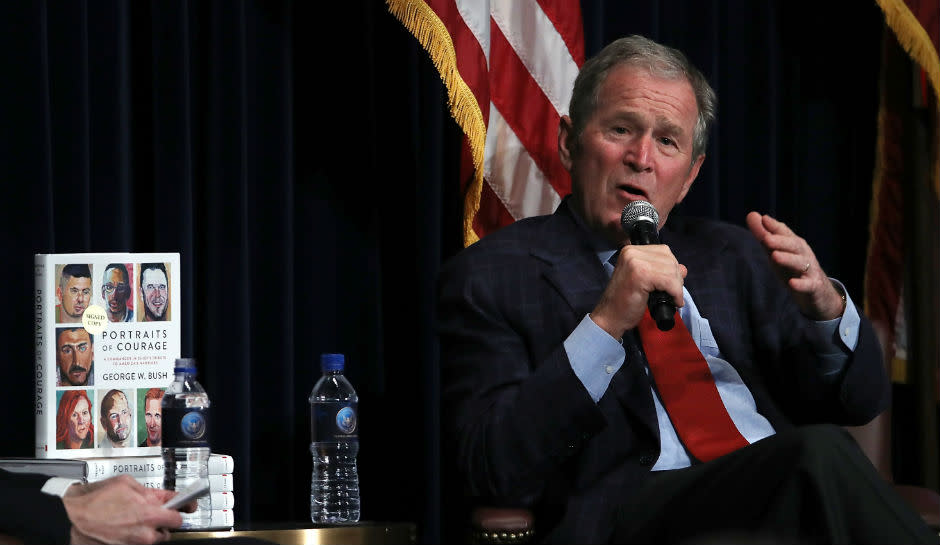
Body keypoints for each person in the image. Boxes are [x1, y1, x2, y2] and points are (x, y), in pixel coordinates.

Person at [436, 35, 938, 544]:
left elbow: (860, 400)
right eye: (620, 129)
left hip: (772, 500)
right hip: (632, 518)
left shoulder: (732, 255)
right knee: (819, 456)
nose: (642, 157)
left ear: (691, 176)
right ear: (569, 142)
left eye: (668, 141)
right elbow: (491, 466)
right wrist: (606, 323)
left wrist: (826, 310)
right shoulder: (492, 277)